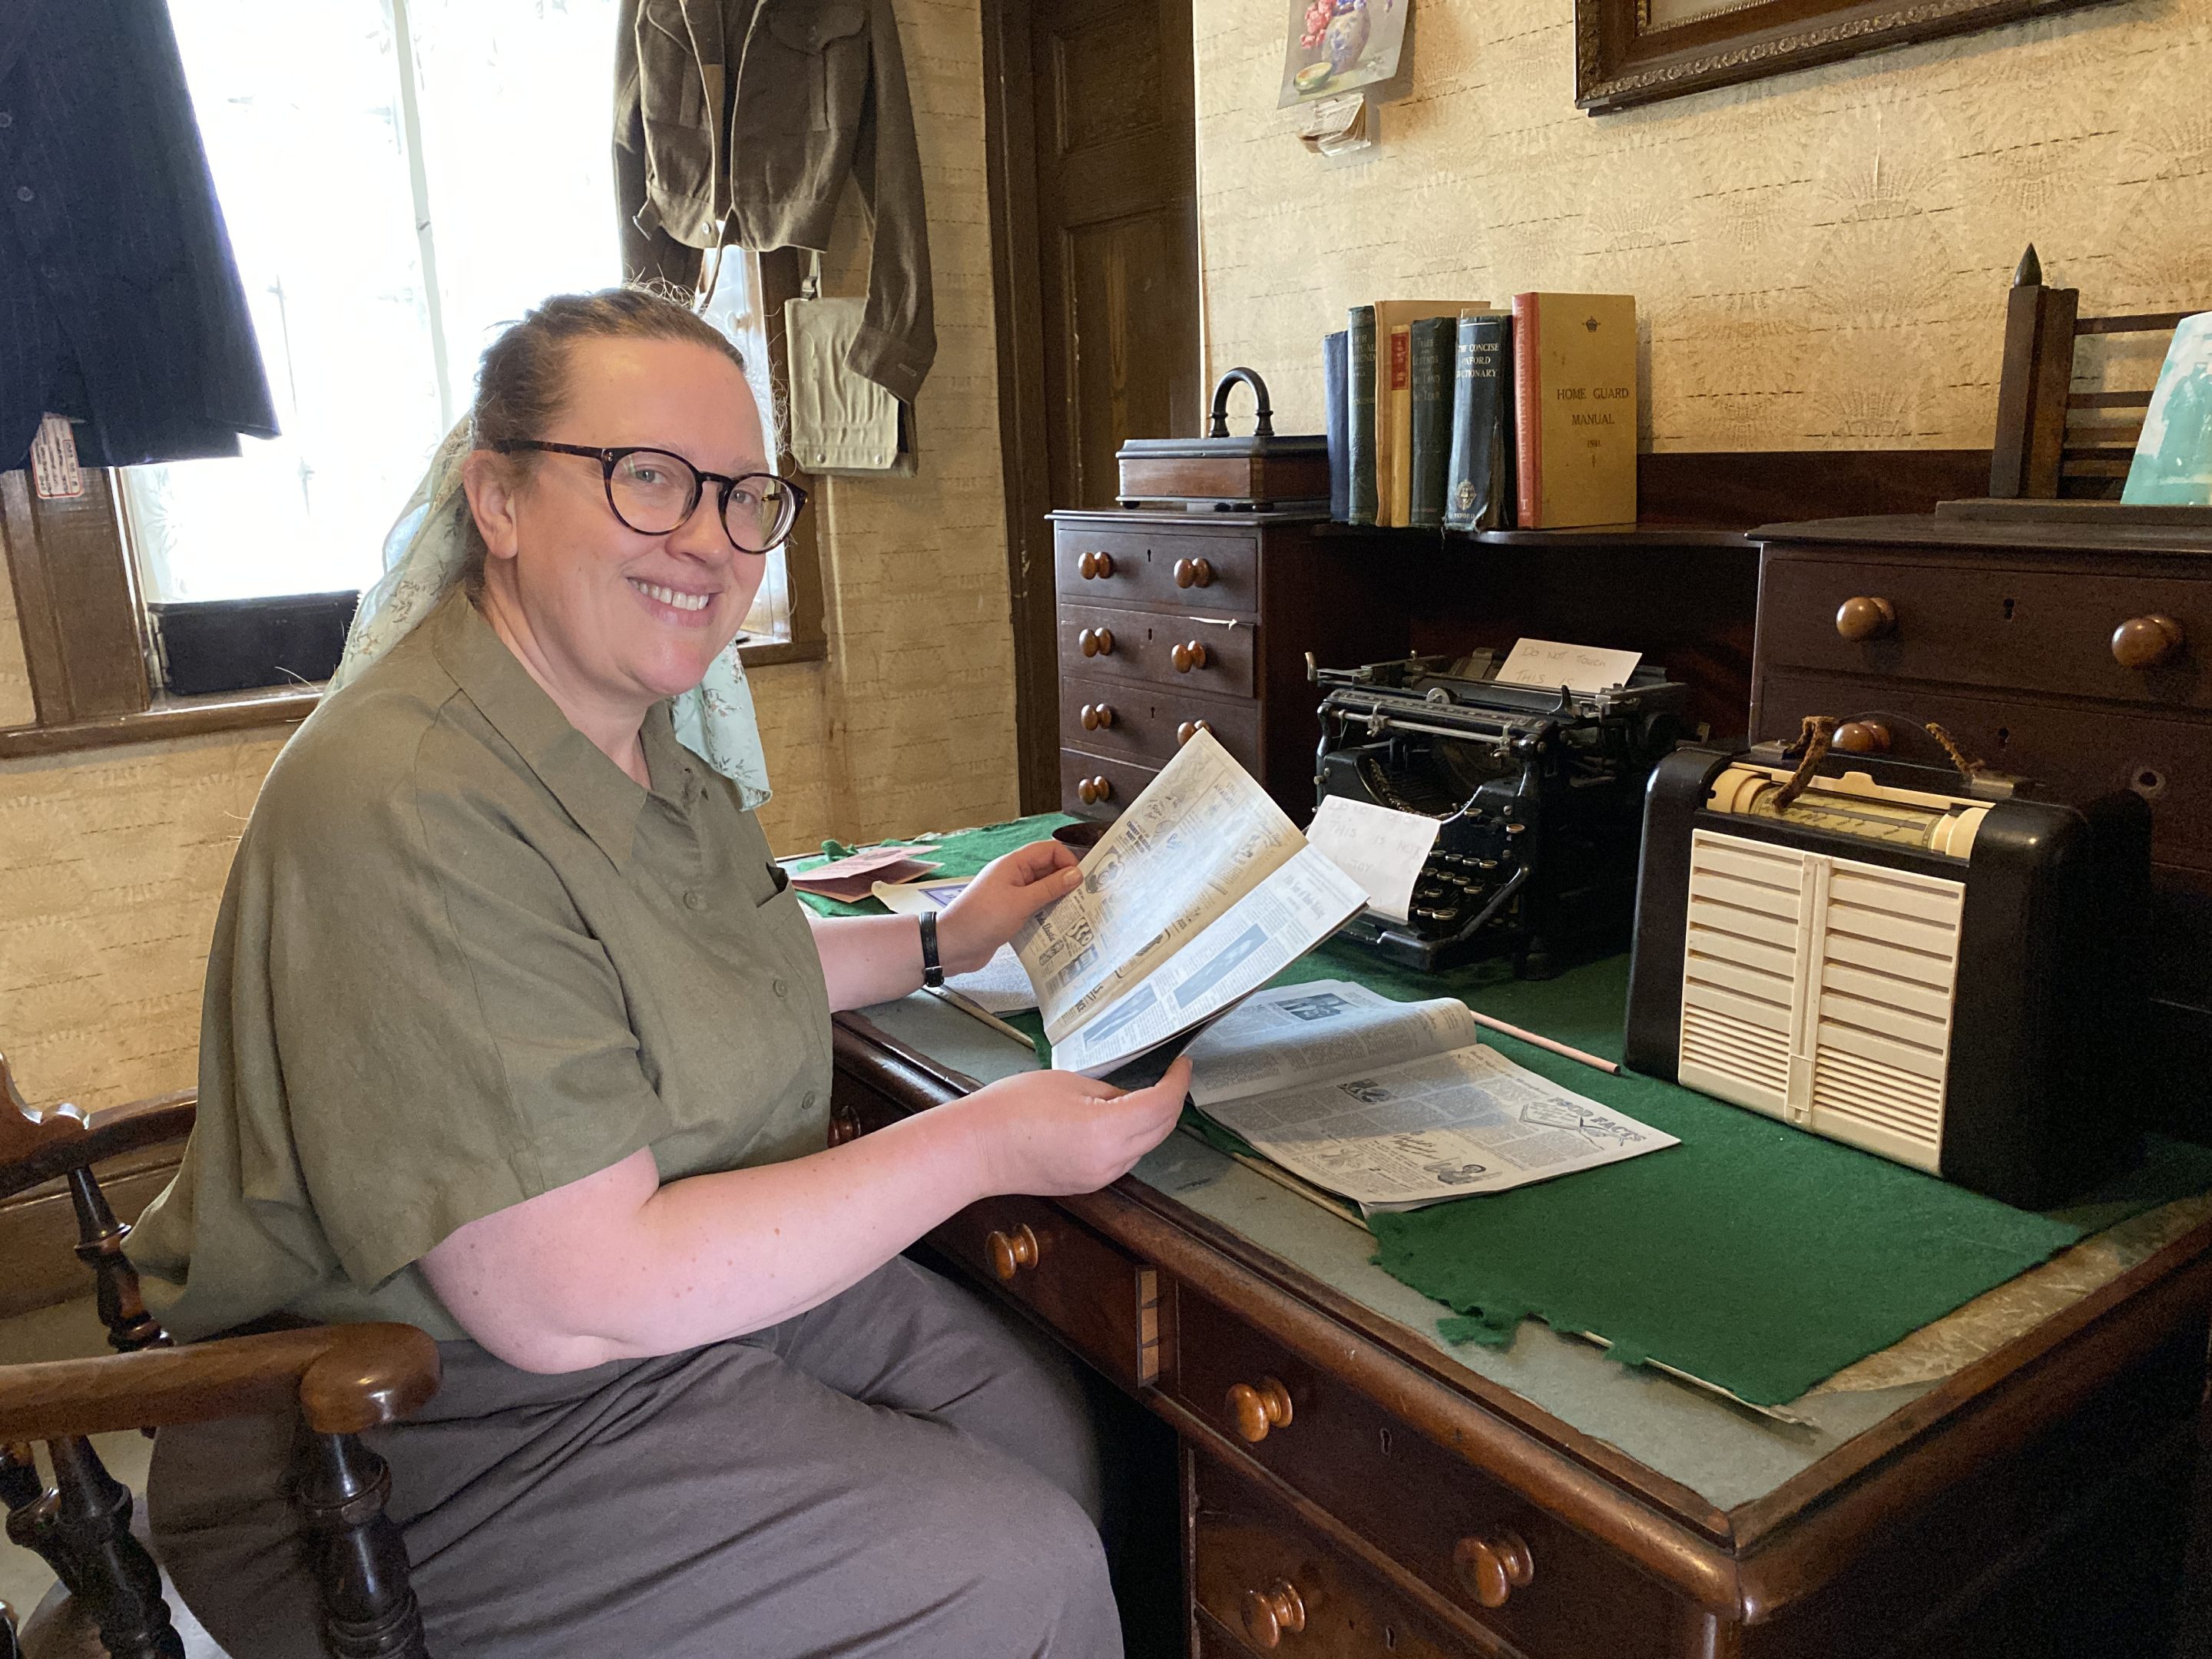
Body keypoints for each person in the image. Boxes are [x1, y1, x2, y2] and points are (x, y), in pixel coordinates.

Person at [125, 287, 1192, 1659]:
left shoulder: (634, 741)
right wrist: (982, 1141)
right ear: (496, 499)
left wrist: (946, 937)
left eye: (746, 496)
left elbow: (707, 969)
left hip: (639, 1314)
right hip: (413, 1418)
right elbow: (572, 1295)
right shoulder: (404, 799)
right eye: (647, 480)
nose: (709, 537)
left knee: (1046, 1431)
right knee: (1013, 1564)